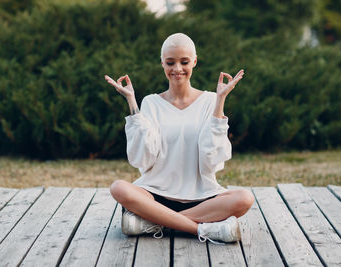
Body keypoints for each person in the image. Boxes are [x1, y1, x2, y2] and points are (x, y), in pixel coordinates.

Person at [104, 33, 254, 244]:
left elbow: (211, 161)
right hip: (155, 196)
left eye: (184, 62)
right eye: (170, 62)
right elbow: (143, 159)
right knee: (118, 188)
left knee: (245, 199)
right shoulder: (151, 103)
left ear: (194, 61)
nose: (177, 69)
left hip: (202, 198)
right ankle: (204, 230)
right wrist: (132, 102)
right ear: (162, 63)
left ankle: (153, 224)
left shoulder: (211, 99)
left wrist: (220, 100)